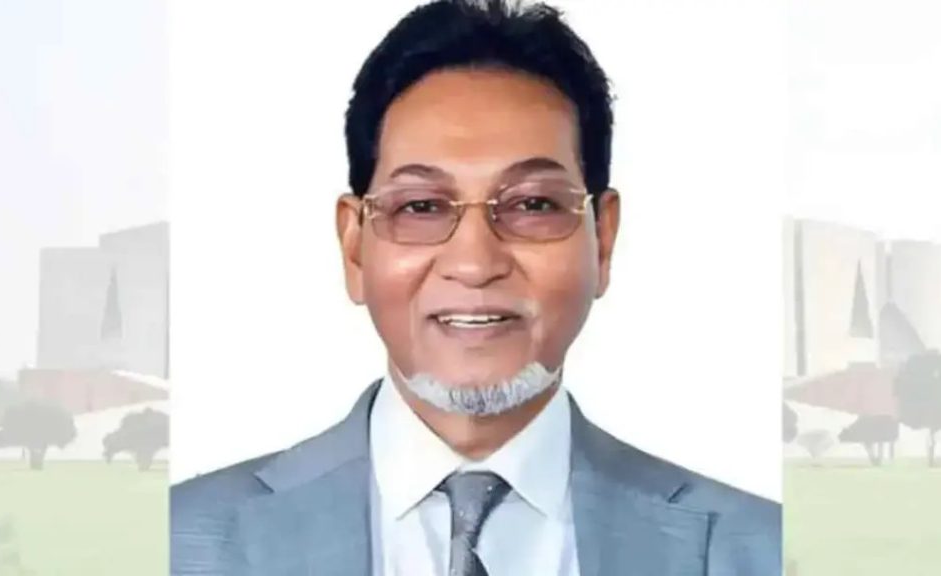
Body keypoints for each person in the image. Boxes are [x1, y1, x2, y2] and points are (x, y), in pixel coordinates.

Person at [170, 1, 781, 574]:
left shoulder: (762, 548)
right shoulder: (178, 541)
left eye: (533, 204)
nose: (474, 262)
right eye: (421, 206)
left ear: (602, 238)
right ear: (354, 247)